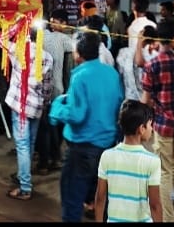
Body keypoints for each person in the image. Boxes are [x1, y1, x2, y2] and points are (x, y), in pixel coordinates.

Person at [49, 28, 123, 223]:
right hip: (107, 146)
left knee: (72, 197)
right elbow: (117, 106)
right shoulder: (111, 73)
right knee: (101, 197)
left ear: (78, 53)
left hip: (82, 147)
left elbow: (77, 114)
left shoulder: (80, 76)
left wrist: (56, 109)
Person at [140, 19, 174, 222]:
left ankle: (168, 217)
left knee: (163, 171)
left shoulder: (152, 65)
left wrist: (143, 121)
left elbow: (146, 99)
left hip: (163, 124)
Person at [5, 28, 53, 201]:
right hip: (37, 106)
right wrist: (45, 104)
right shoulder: (47, 57)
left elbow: (1, 38)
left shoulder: (18, 51)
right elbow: (48, 87)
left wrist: (15, 26)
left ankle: (25, 186)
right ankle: (22, 174)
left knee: (23, 145)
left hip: (20, 105)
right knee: (30, 143)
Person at [94, 100, 162, 223]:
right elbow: (155, 205)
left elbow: (100, 198)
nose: (152, 129)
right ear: (141, 128)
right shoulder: (152, 161)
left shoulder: (107, 156)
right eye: (150, 125)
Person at [36, 9, 74, 174]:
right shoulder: (63, 38)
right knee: (54, 125)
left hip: (42, 89)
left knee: (45, 126)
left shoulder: (43, 35)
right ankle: (54, 157)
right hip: (58, 89)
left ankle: (47, 160)